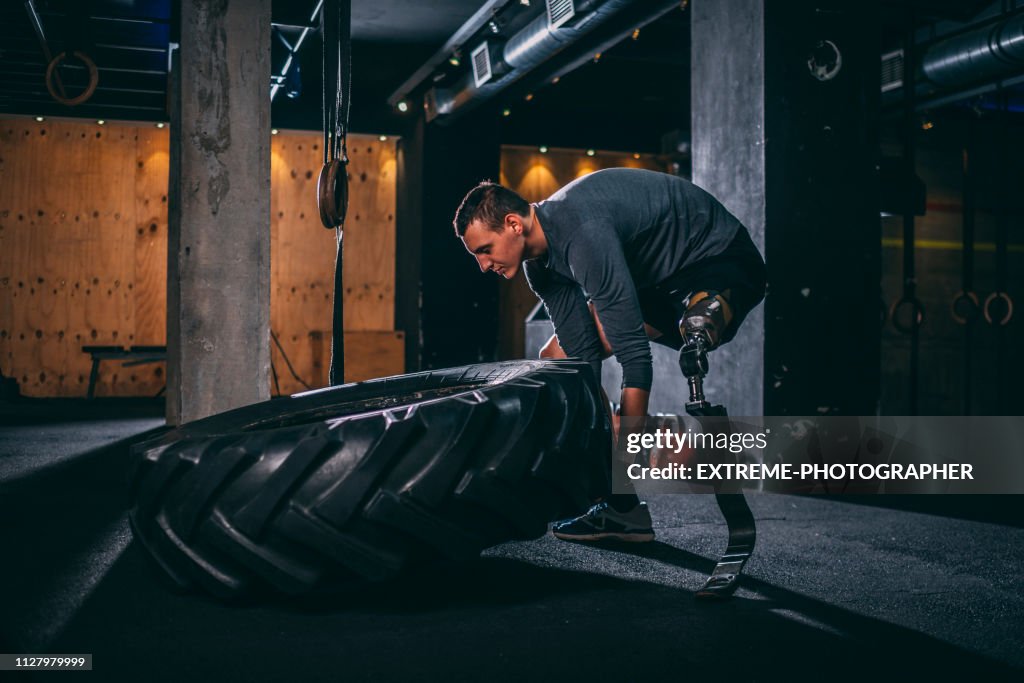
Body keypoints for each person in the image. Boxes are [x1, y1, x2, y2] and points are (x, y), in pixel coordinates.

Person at [453, 168, 766, 542]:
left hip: (720, 259)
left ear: (513, 224)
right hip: (659, 284)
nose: (483, 265)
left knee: (696, 325)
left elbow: (634, 356)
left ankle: (647, 475)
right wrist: (600, 441)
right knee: (557, 359)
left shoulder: (582, 233)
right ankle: (623, 510)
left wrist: (625, 451)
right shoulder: (539, 270)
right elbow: (583, 362)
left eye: (484, 250)